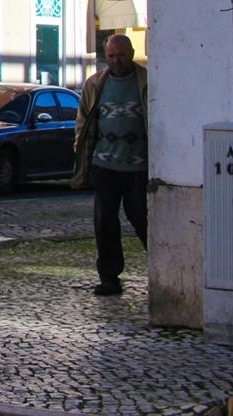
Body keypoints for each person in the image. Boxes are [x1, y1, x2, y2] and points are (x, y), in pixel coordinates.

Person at [72, 33, 149, 295]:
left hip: (139, 166)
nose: (116, 60)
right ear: (106, 57)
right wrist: (82, 154)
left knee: (142, 218)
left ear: (131, 53)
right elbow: (83, 121)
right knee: (105, 221)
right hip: (104, 164)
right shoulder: (95, 84)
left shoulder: (146, 81)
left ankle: (163, 269)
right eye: (112, 56)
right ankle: (109, 277)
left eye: (121, 55)